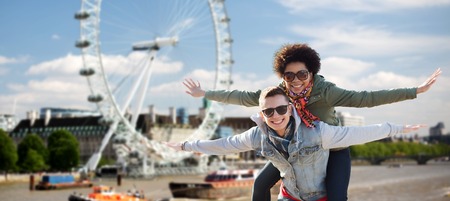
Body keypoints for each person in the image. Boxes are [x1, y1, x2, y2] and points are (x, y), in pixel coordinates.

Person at [182, 43, 441, 201]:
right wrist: (204, 94)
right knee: (260, 184)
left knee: (337, 197)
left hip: (331, 147)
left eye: (302, 74)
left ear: (312, 73)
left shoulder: (325, 90)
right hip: (296, 148)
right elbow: (242, 96)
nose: (295, 81)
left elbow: (367, 98)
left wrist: (414, 91)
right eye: (289, 75)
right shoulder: (278, 93)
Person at [166, 86, 425, 201]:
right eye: (269, 112)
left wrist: (398, 128)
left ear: (290, 109)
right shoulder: (258, 135)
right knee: (259, 185)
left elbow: (358, 132)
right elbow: (225, 144)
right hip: (289, 197)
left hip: (320, 197)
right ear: (262, 115)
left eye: (280, 110)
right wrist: (188, 146)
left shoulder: (319, 132)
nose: (275, 116)